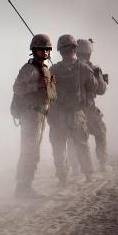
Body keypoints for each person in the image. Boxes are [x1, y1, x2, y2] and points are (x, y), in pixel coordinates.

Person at [48, 34, 99, 186]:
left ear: (60, 51)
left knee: (59, 146)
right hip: (78, 114)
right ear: (75, 50)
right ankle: (89, 175)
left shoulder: (53, 70)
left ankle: (62, 178)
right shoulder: (84, 68)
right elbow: (94, 87)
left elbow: (49, 93)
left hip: (59, 115)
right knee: (82, 145)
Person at [11, 34, 56, 198]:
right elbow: (17, 88)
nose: (45, 53)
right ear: (34, 50)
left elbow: (50, 94)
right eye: (41, 49)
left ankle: (26, 186)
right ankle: (23, 187)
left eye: (47, 49)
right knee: (29, 151)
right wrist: (37, 85)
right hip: (31, 114)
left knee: (34, 151)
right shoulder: (29, 69)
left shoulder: (45, 69)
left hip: (41, 114)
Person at [69, 38, 108, 172]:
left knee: (74, 136)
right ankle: (103, 163)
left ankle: (74, 166)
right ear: (89, 53)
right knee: (100, 132)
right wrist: (102, 79)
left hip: (73, 109)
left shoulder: (68, 66)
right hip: (88, 108)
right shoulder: (93, 68)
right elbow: (101, 90)